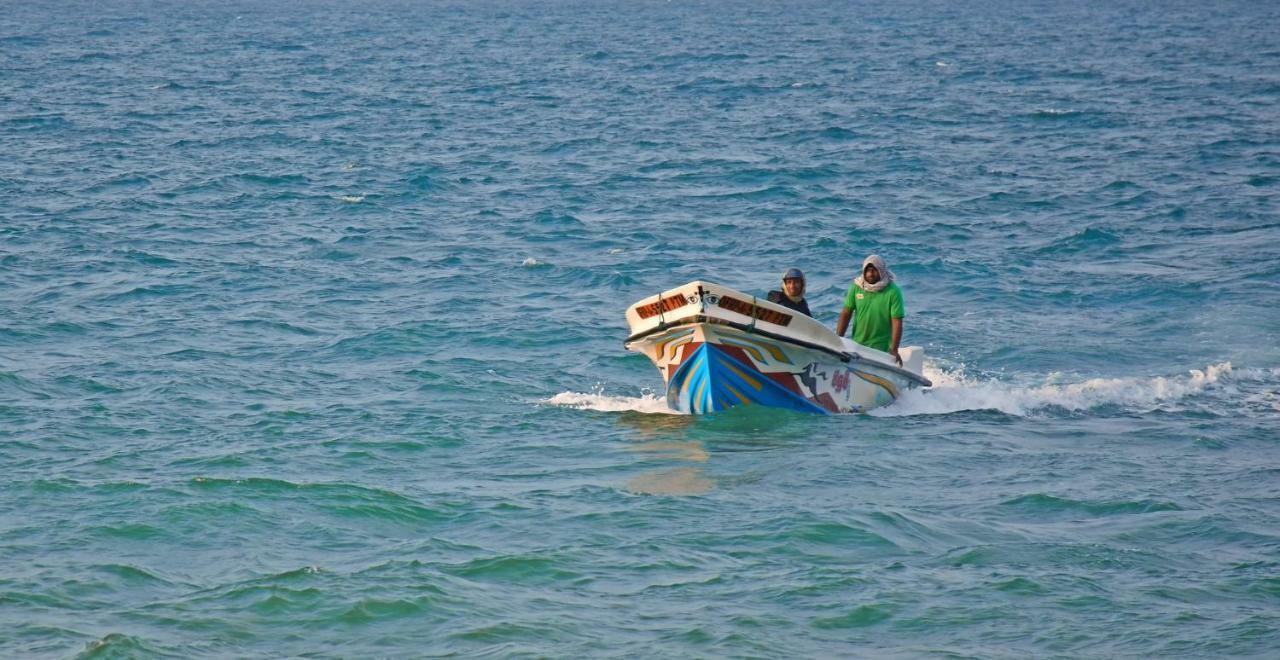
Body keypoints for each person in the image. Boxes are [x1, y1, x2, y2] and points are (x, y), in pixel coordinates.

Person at [835, 255, 905, 365]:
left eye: (874, 270)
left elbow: (897, 322)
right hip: (858, 345)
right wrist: (838, 340)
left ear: (881, 271)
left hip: (881, 349)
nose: (870, 274)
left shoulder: (893, 291)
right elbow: (846, 313)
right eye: (867, 270)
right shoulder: (856, 287)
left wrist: (894, 349)